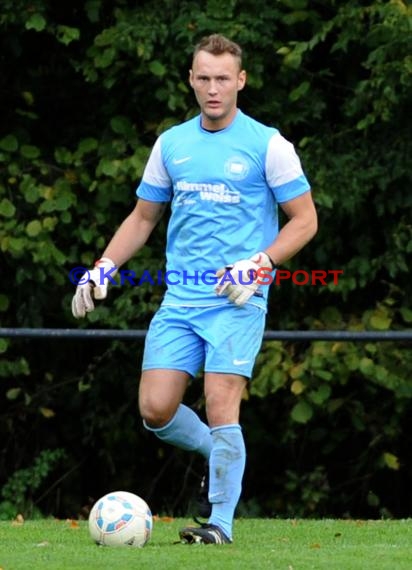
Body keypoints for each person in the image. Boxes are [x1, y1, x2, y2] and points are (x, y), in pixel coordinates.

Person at [71, 33, 318, 545]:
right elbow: (142, 218)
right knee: (155, 410)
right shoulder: (172, 143)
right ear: (190, 79)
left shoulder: (268, 144)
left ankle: (219, 526)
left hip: (236, 298)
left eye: (223, 79)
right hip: (180, 299)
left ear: (241, 81)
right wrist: (103, 266)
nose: (212, 88)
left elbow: (305, 220)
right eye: (203, 78)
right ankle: (219, 452)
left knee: (221, 403)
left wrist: (261, 264)